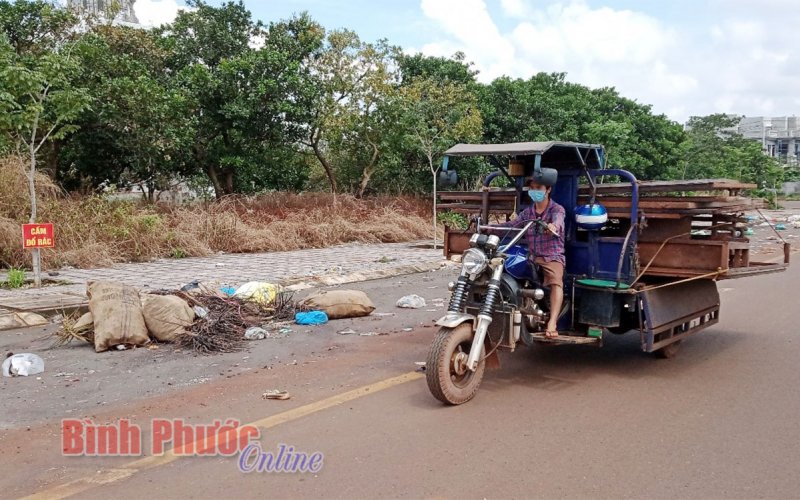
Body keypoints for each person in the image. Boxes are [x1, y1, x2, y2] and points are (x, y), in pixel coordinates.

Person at [495, 170, 565, 338]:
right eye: (532, 188)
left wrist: (552, 227)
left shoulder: (557, 209)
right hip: (532, 256)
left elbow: (558, 222)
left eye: (538, 187)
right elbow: (513, 225)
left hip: (552, 257)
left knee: (556, 282)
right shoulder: (528, 213)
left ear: (548, 189)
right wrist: (489, 227)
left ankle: (552, 322)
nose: (535, 191)